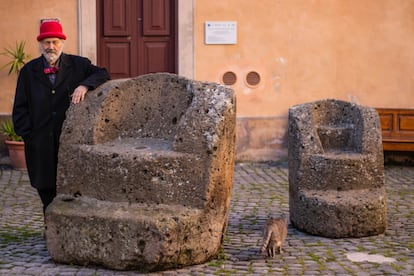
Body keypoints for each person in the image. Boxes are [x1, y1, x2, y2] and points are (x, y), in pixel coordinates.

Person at [12, 20, 110, 214]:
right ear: (41, 44)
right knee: (45, 189)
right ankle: (50, 229)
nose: (51, 47)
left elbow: (103, 73)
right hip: (40, 142)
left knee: (71, 187)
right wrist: (29, 136)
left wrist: (85, 85)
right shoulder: (28, 71)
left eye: (55, 42)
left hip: (69, 141)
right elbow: (20, 108)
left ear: (62, 42)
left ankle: (67, 231)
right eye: (47, 42)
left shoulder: (78, 64)